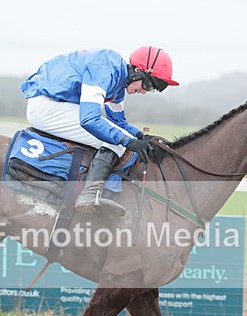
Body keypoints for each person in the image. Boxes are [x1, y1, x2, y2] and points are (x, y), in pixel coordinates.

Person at [20, 46, 179, 216]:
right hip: (46, 106)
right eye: (147, 84)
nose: (144, 91)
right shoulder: (105, 70)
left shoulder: (118, 81)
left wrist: (140, 136)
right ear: (138, 71)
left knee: (117, 135)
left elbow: (118, 122)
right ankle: (88, 196)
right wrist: (129, 141)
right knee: (116, 142)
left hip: (57, 103)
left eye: (151, 89)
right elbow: (89, 119)